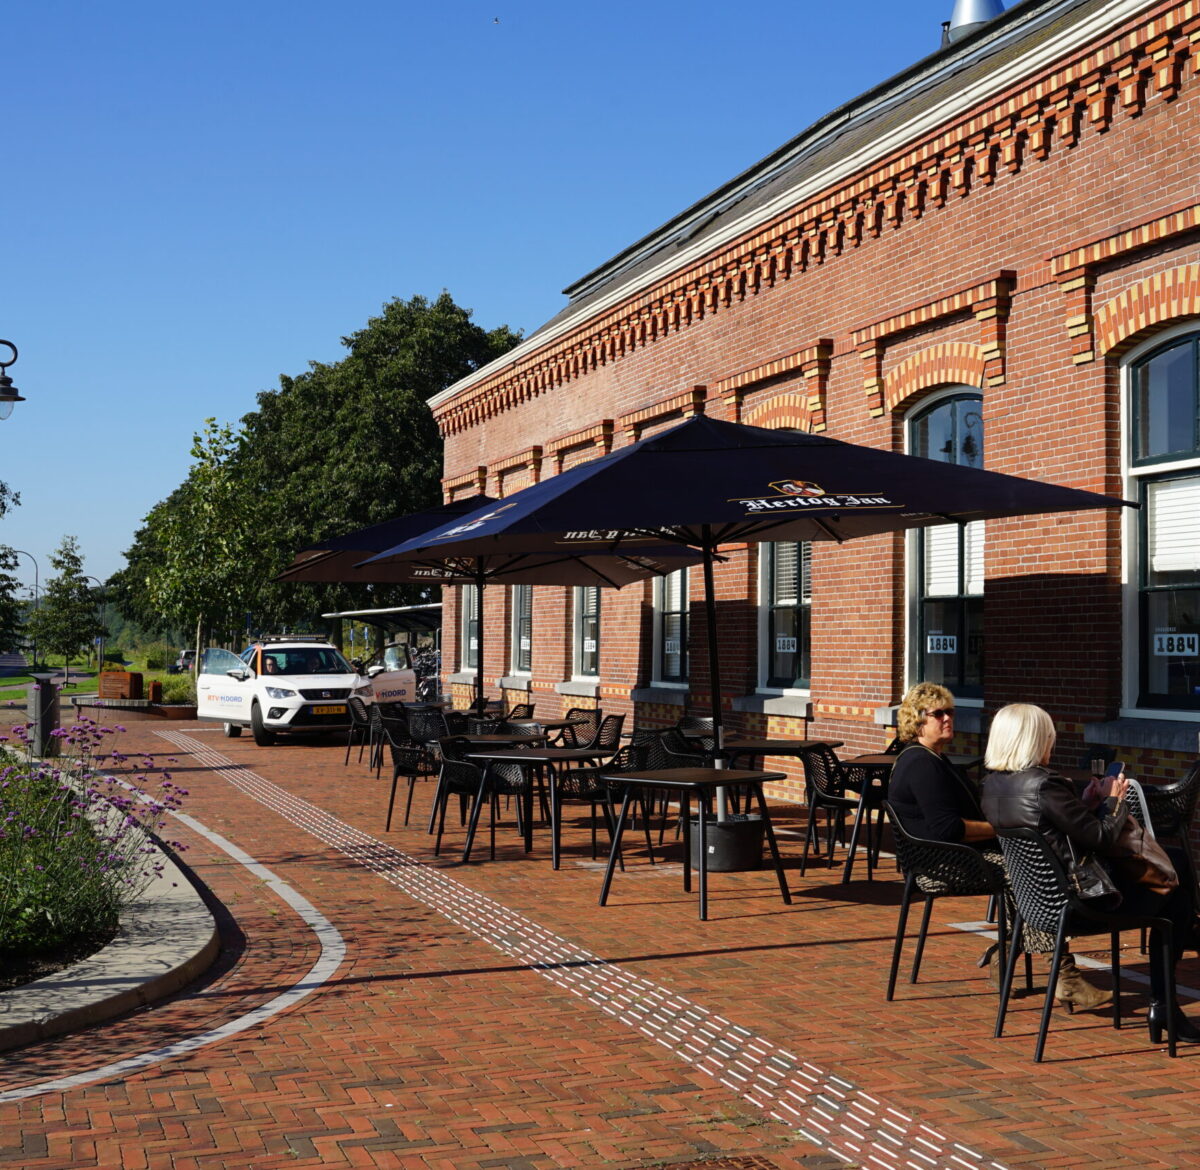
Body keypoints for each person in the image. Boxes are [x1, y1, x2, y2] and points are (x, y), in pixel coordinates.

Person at [981, 702, 1200, 1043]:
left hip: (1036, 906)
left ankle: (1179, 961)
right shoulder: (1044, 785)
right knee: (1175, 903)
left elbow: (1054, 829)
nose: (1051, 743)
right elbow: (1100, 837)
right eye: (1047, 736)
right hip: (1079, 905)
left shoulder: (994, 786)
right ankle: (1165, 1007)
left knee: (1173, 881)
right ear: (1035, 739)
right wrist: (1115, 800)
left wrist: (1086, 804)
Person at [887, 683, 1109, 1010]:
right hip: (939, 864)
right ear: (917, 720)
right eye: (938, 714)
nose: (948, 719)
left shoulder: (933, 759)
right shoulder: (921, 764)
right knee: (1030, 871)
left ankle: (1006, 954)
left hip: (953, 856)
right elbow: (947, 828)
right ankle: (1064, 976)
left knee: (1024, 868)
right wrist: (1003, 826)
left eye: (950, 712)